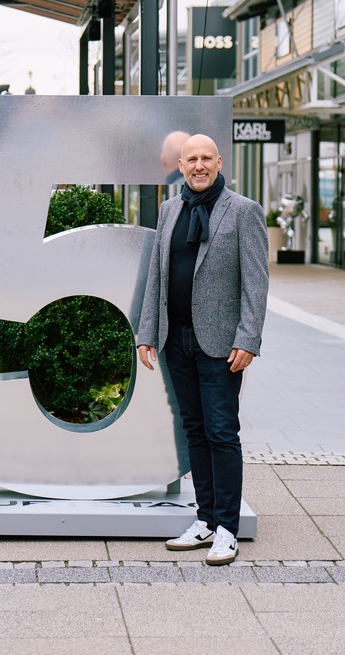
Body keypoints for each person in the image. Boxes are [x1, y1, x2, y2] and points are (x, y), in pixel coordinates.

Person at [136, 134, 269, 566]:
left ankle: (227, 528)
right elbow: (157, 274)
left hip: (221, 344)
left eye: (205, 158)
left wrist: (248, 338)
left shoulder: (244, 211)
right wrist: (147, 332)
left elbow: (256, 283)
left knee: (221, 432)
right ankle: (206, 519)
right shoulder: (171, 209)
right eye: (191, 159)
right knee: (194, 429)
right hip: (178, 340)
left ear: (219, 161)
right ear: (180, 163)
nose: (198, 166)